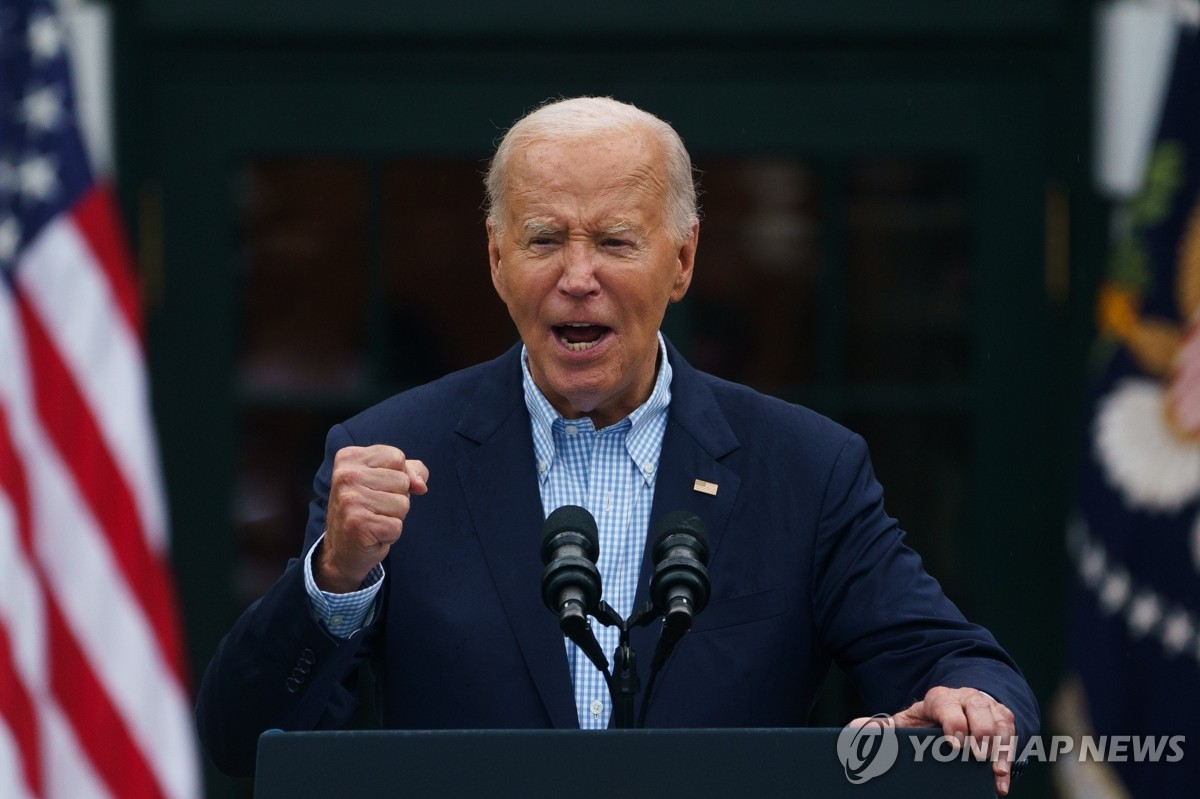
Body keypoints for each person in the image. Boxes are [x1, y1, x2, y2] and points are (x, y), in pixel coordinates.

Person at [196, 96, 1038, 794]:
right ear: (495, 257)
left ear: (683, 259)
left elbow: (958, 663)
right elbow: (244, 739)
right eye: (543, 238)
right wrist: (336, 580)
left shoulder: (805, 469)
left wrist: (975, 700)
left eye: (614, 240)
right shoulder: (392, 455)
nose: (577, 274)